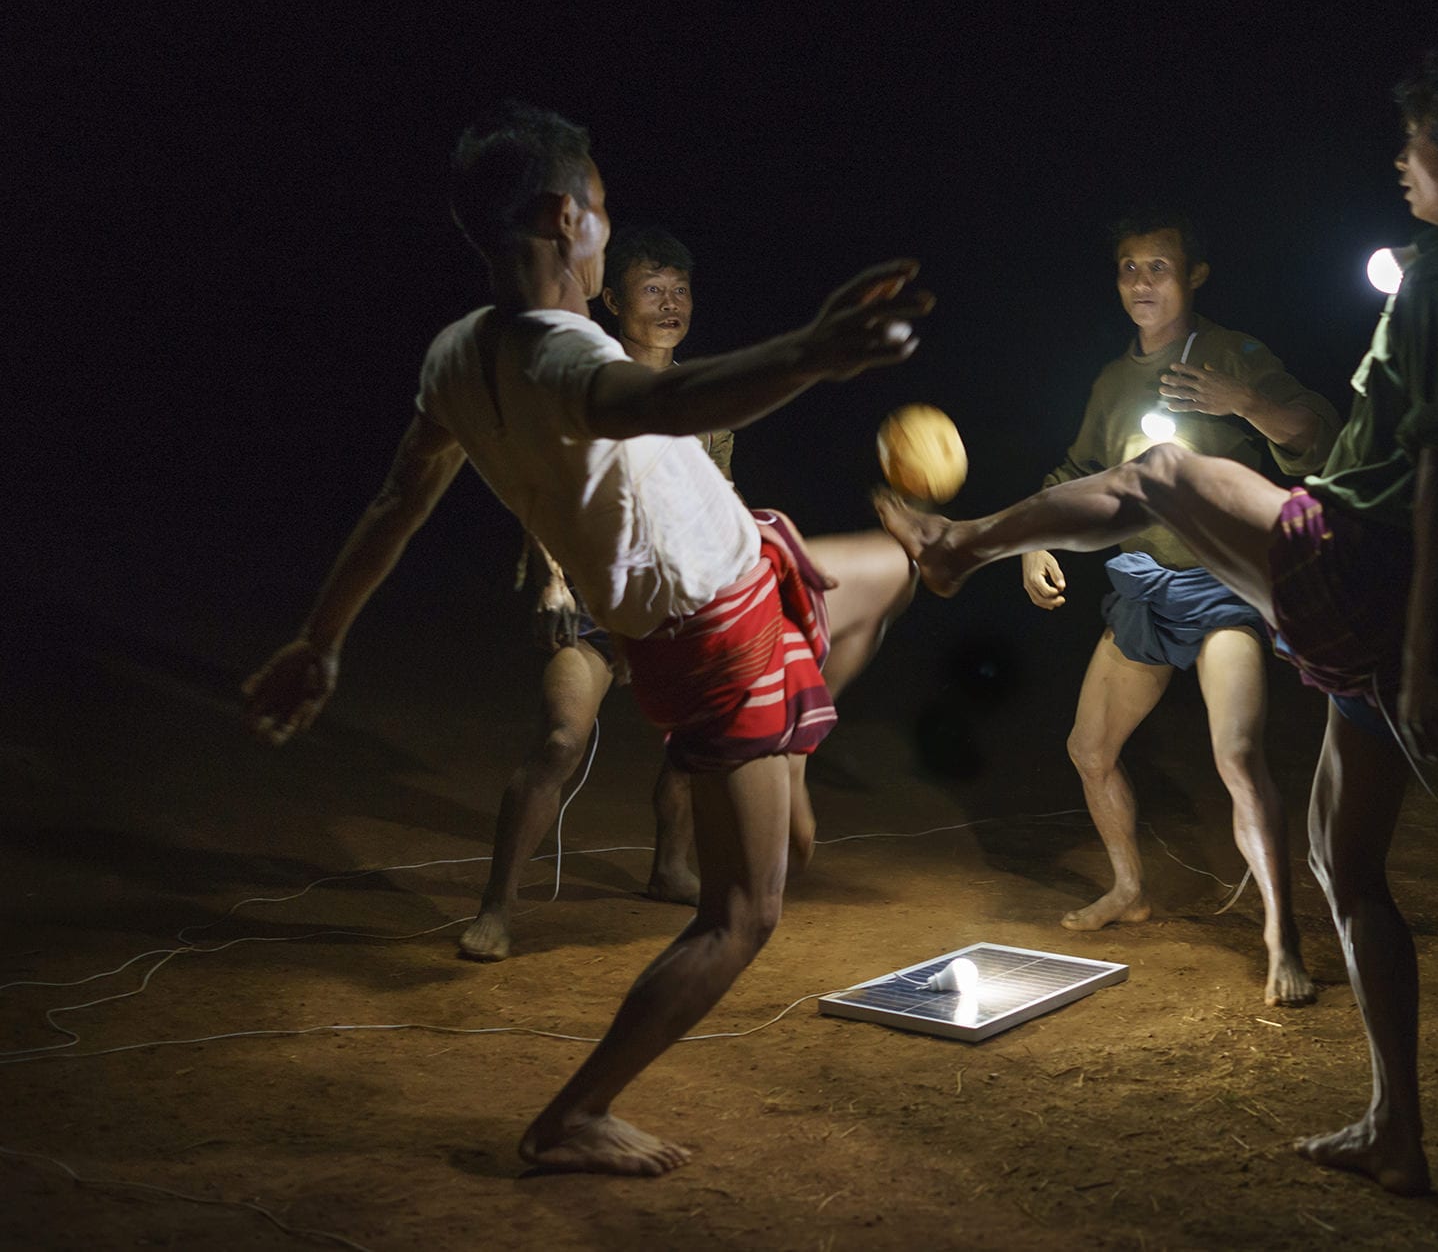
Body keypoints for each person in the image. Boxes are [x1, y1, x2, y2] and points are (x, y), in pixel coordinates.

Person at [877, 17, 1438, 1196]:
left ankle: (955, 545)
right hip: (1389, 602)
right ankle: (1397, 1128)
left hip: (1364, 565)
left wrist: (1416, 644)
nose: (1398, 160)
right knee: (1348, 865)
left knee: (1167, 477)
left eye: (1411, 140)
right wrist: (1432, 640)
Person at [243, 100, 931, 1175]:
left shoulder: (454, 354)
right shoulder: (559, 357)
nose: (608, 229)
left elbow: (394, 502)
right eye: (603, 209)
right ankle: (574, 1113)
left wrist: (320, 637)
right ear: (569, 217)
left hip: (751, 567)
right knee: (743, 916)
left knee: (910, 561)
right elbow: (670, 398)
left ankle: (816, 721)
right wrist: (813, 350)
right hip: (718, 634)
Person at [1023, 211, 1338, 1007]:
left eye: (1157, 267)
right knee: (1089, 749)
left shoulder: (1234, 353)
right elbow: (1077, 466)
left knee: (1237, 757)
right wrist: (1033, 539)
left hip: (1220, 589)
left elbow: (1319, 434)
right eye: (1128, 268)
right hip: (1139, 583)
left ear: (1193, 275)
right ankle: (1130, 887)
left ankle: (1281, 937)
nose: (1140, 283)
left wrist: (1243, 402)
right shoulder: (1112, 378)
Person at [460, 224, 723, 962]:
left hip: (673, 611)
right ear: (613, 301)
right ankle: (496, 906)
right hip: (595, 606)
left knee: (704, 744)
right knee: (559, 739)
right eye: (652, 289)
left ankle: (671, 865)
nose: (670, 305)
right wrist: (549, 579)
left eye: (680, 290)